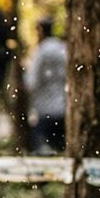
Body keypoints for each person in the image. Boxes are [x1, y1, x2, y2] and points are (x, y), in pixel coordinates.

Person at [24, 18, 68, 154]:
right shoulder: (63, 49)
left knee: (43, 153)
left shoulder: (40, 52)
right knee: (61, 151)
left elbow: (31, 82)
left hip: (44, 112)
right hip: (62, 108)